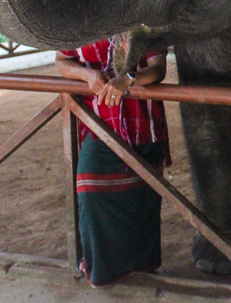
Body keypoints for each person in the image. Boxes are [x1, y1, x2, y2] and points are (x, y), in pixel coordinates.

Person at [55, 34, 169, 288]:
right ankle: (103, 270)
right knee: (91, 191)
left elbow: (158, 69)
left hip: (142, 123)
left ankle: (142, 266)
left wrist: (127, 80)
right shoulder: (81, 20)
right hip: (97, 123)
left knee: (143, 197)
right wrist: (87, 76)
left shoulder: (142, 17)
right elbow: (62, 60)